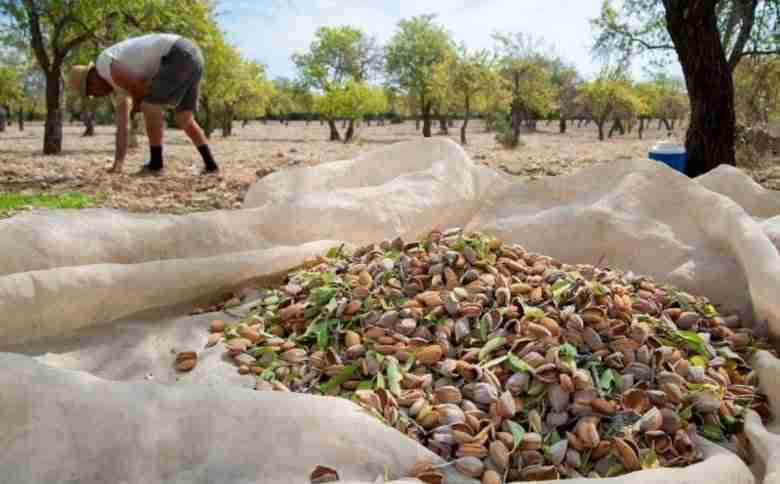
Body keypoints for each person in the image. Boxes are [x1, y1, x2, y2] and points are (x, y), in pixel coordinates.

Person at [68, 33, 219, 175]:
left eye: (92, 93)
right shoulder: (117, 88)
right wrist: (117, 165)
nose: (97, 96)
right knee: (184, 118)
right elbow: (123, 127)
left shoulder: (104, 64)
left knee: (149, 104)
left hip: (177, 53)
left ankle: (156, 164)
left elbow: (138, 87)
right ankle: (211, 165)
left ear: (92, 81)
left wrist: (137, 107)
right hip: (193, 57)